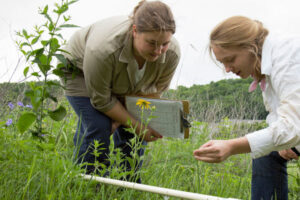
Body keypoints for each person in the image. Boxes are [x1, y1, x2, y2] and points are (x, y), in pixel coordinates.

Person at [61, 0, 180, 182]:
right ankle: (89, 184)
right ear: (134, 31)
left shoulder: (172, 53)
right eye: (151, 43)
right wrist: (132, 123)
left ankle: (128, 185)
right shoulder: (103, 49)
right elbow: (101, 100)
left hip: (126, 82)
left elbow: (155, 92)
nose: (158, 51)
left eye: (164, 44)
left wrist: (131, 122)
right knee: (99, 126)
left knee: (133, 132)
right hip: (80, 72)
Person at [193, 16, 300, 200]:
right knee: (266, 154)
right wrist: (290, 145)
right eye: (222, 63)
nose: (227, 69)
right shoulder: (266, 64)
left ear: (250, 47)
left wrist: (231, 146)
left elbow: (292, 127)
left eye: (230, 59)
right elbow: (281, 120)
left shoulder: (288, 57)